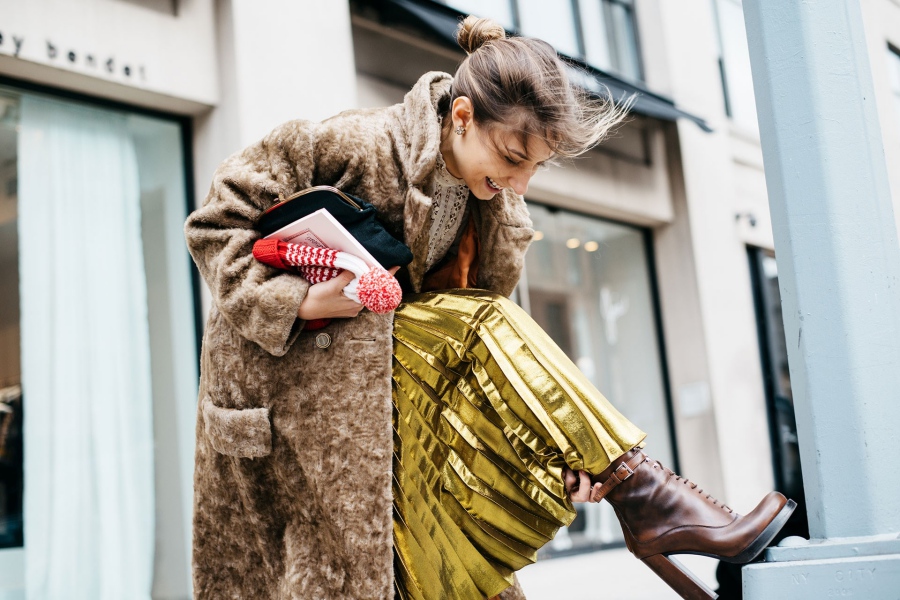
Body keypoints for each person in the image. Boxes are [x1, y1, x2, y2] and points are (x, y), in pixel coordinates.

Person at [185, 16, 794, 600]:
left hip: (403, 422)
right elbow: (215, 223)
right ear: (462, 115)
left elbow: (490, 371)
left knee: (451, 578)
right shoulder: (352, 142)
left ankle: (631, 488)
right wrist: (299, 299)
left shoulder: (499, 209)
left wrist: (562, 455)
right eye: (511, 156)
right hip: (298, 408)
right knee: (484, 325)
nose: (523, 181)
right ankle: (649, 497)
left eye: (536, 165)